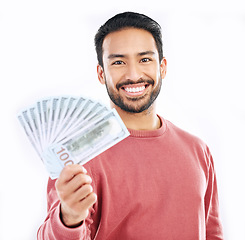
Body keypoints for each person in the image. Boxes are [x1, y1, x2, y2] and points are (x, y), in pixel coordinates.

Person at [37, 12, 224, 239]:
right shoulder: (75, 155)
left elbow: (212, 232)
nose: (133, 74)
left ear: (162, 67)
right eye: (118, 62)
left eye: (145, 59)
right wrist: (68, 217)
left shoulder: (198, 149)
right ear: (101, 73)